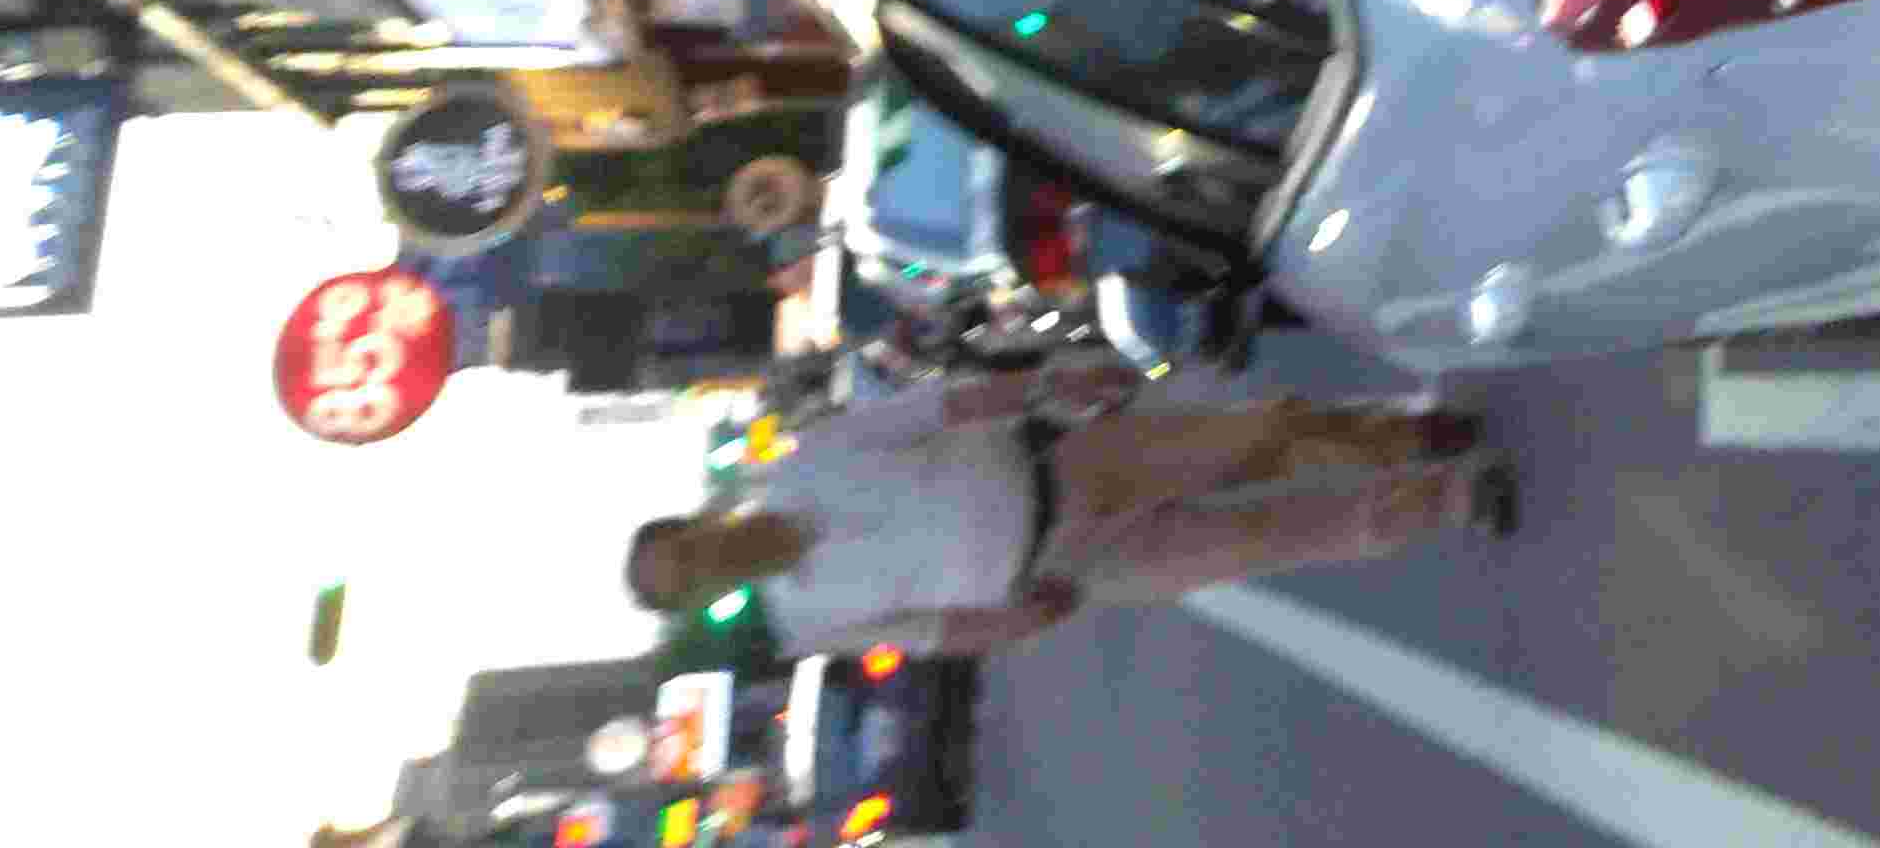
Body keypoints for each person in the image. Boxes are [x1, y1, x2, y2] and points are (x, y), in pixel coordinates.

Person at [625, 354, 1513, 656]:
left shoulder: (809, 462)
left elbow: (943, 407)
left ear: (698, 525)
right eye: (691, 583)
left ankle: (1408, 436)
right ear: (705, 599)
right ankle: (1452, 497)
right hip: (1065, 570)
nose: (706, 568)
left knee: (1265, 434)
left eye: (688, 551)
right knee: (1261, 539)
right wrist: (1014, 624)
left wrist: (1051, 382)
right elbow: (922, 632)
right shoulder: (807, 619)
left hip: (1072, 470)